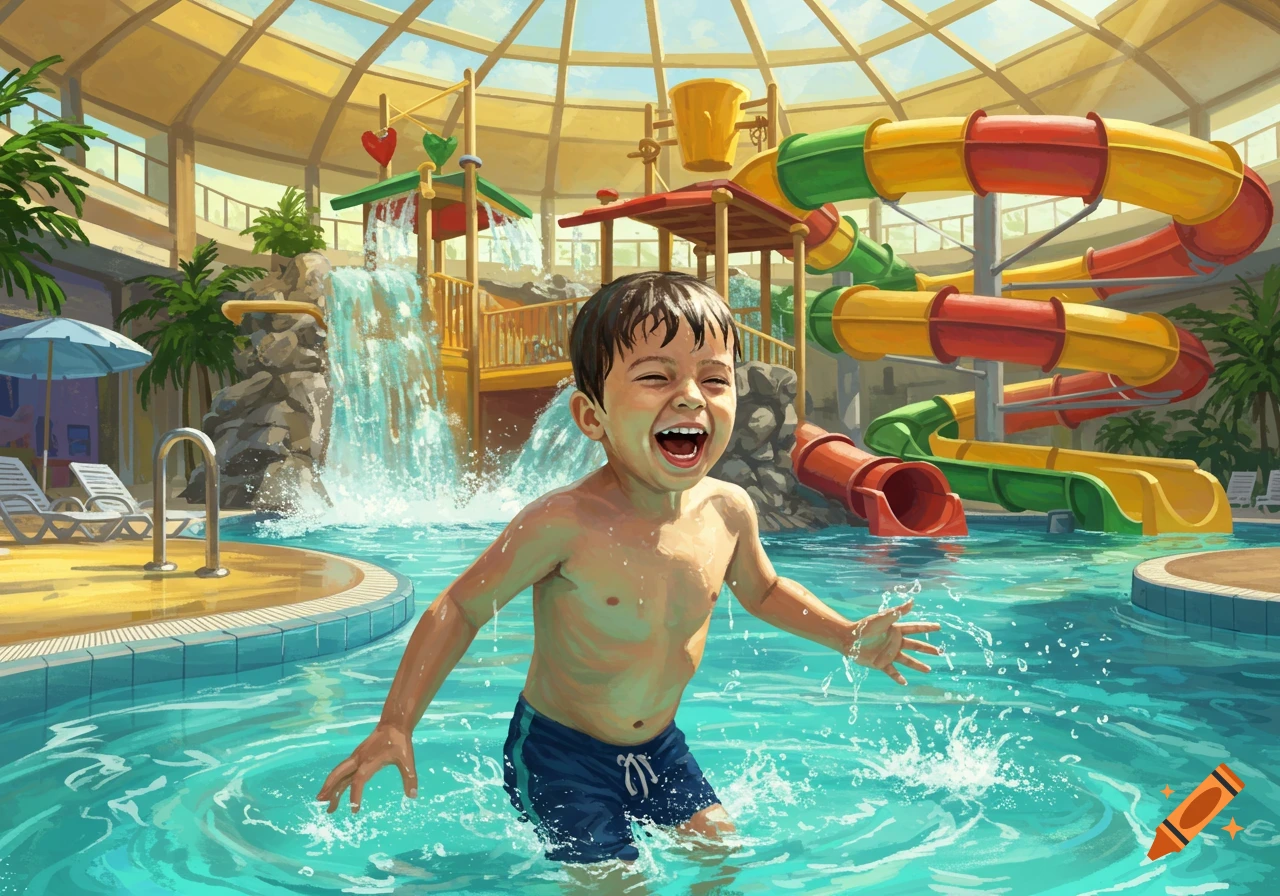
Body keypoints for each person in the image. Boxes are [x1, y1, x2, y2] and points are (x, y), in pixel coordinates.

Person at [317, 271, 943, 881]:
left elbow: (764, 590)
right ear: (591, 417)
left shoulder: (728, 510)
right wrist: (396, 723)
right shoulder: (564, 522)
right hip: (561, 752)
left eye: (714, 378)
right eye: (656, 377)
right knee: (617, 884)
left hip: (659, 749)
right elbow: (461, 607)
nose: (691, 397)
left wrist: (847, 635)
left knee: (722, 859)